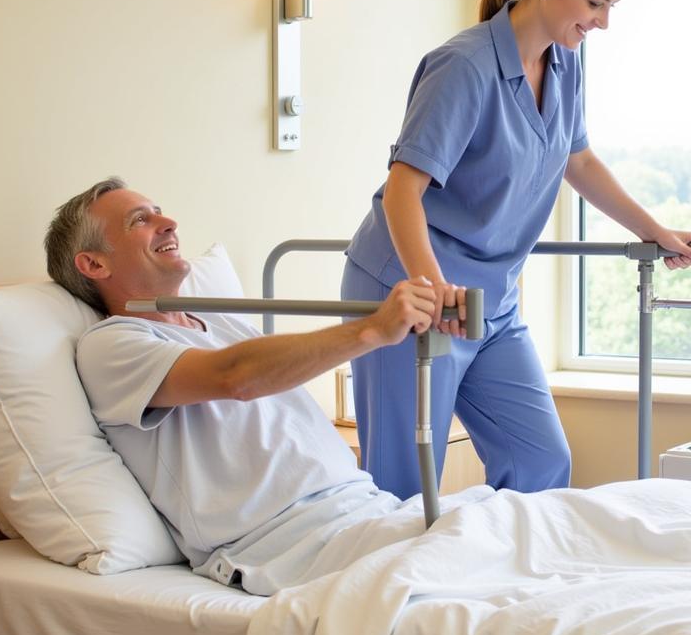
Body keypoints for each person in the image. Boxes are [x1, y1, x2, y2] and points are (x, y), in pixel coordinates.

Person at [342, 0, 691, 499]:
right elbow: (402, 191)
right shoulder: (464, 67)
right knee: (405, 484)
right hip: (409, 289)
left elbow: (578, 160)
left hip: (493, 299)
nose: (603, 22)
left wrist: (658, 231)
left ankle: (510, 588)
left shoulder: (565, 63)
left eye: (611, 6)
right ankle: (393, 591)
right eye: (595, 2)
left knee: (540, 461)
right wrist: (433, 292)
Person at [45, 177, 484, 595]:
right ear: (93, 264)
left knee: (523, 526)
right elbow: (234, 377)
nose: (169, 223)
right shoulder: (111, 345)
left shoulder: (223, 324)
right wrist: (372, 330)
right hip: (291, 544)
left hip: (366, 509)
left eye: (159, 212)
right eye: (139, 220)